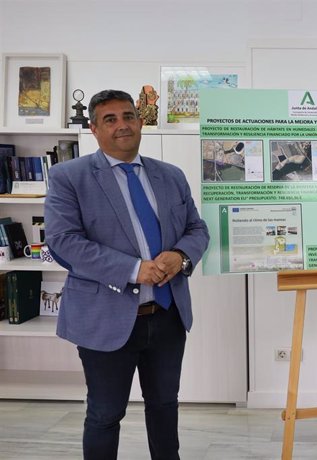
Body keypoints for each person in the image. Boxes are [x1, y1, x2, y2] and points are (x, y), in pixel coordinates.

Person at [44, 89, 210, 460]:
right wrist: (135, 270)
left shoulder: (170, 175)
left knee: (165, 406)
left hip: (167, 315)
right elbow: (63, 242)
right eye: (110, 119)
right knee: (105, 415)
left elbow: (196, 229)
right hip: (106, 319)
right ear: (94, 129)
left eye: (128, 116)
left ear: (140, 121)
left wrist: (180, 256)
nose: (122, 125)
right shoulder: (69, 177)